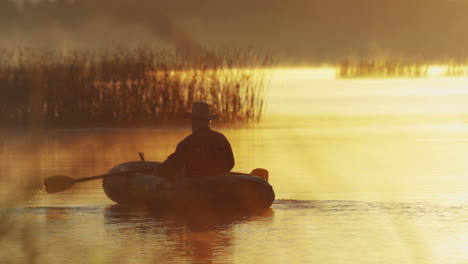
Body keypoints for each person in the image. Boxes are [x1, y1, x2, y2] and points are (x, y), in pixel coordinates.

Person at [157, 102, 235, 179]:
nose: (193, 124)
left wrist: (155, 171)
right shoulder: (221, 139)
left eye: (194, 120)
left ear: (195, 122)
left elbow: (172, 168)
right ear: (208, 121)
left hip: (195, 187)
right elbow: (231, 163)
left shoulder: (187, 144)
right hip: (220, 186)